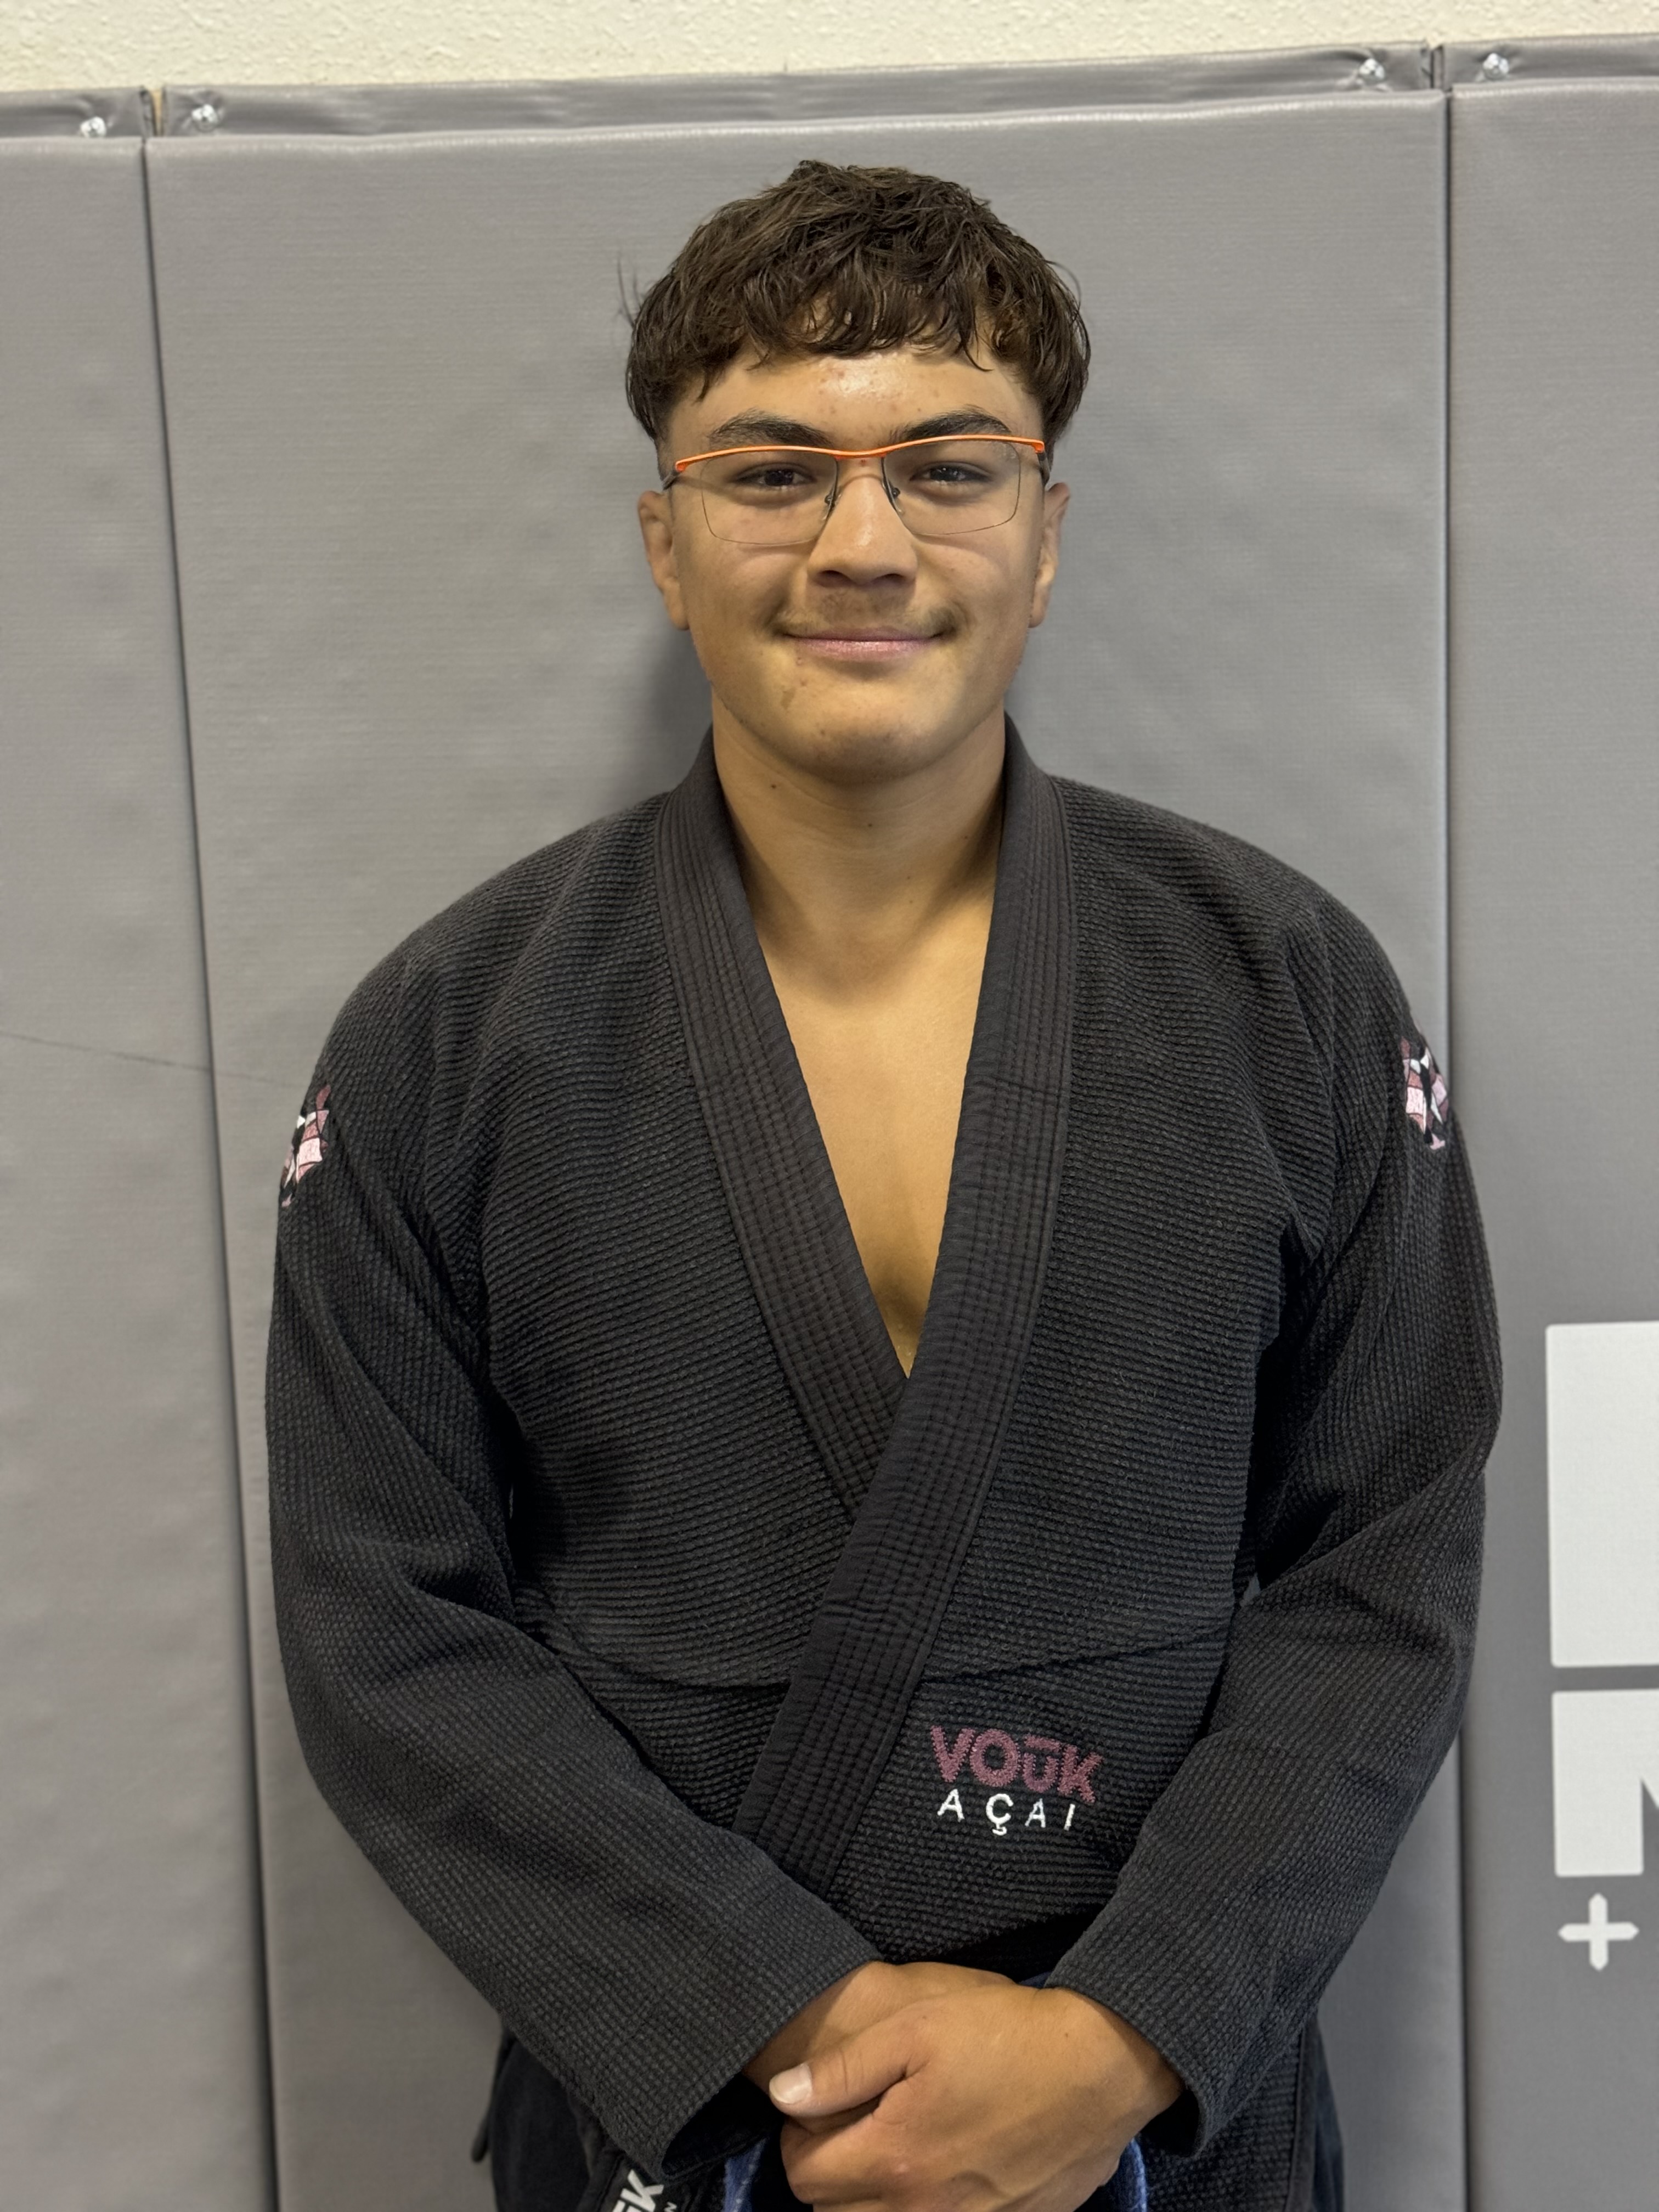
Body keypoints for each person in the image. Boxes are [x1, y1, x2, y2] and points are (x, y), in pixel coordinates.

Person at [266, 161, 1500, 2212]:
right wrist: (784, 2020)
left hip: (1156, 2115)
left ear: (1046, 533)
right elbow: (384, 1631)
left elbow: (1386, 1562)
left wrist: (1122, 2037)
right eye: (771, 472)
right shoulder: (449, 1035)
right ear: (665, 544)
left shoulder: (1280, 986)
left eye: (949, 466)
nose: (862, 541)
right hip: (698, 2121)